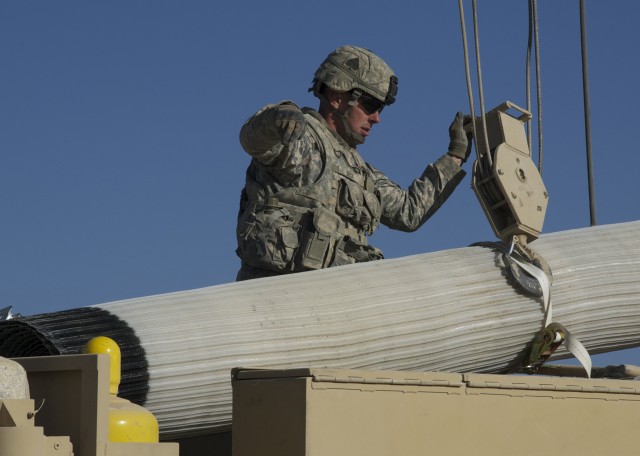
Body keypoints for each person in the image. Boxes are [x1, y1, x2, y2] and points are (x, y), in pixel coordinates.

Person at [235, 45, 471, 281]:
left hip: (338, 299)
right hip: (278, 293)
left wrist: (455, 155)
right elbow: (254, 140)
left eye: (380, 109)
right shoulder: (300, 137)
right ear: (337, 97)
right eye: (370, 105)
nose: (376, 118)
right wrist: (279, 116)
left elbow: (408, 212)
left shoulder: (362, 174)